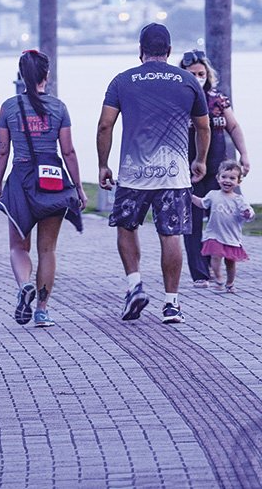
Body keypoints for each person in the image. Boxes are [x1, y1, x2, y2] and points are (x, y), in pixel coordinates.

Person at [97, 23, 210, 325]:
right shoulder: (188, 81)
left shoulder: (122, 81)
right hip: (174, 174)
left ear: (140, 50)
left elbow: (105, 125)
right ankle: (171, 304)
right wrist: (200, 160)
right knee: (170, 235)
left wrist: (103, 164)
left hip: (133, 173)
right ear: (170, 51)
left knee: (126, 227)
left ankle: (135, 285)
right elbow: (203, 126)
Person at [0, 50, 87, 328]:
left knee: (19, 247)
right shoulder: (59, 107)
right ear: (47, 75)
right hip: (52, 181)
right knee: (48, 250)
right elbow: (67, 151)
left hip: (21, 179)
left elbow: (1, 150)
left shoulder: (8, 107)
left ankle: (24, 285)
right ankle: (42, 310)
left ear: (21, 75)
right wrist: (78, 188)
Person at [177, 49, 251, 288]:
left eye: (201, 73)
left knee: (220, 219)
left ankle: (213, 264)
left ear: (207, 74)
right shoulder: (178, 100)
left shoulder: (218, 98)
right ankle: (199, 273)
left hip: (219, 171)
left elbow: (234, 127)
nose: (198, 77)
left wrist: (244, 155)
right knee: (192, 222)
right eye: (192, 73)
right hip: (189, 169)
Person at [192, 160, 253, 293]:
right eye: (224, 177)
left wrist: (248, 214)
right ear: (218, 178)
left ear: (238, 181)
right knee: (215, 255)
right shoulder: (213, 195)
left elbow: (248, 212)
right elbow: (202, 203)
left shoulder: (238, 199)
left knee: (230, 262)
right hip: (214, 234)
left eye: (232, 178)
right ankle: (219, 278)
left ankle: (230, 283)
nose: (227, 180)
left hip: (231, 236)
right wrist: (190, 197)